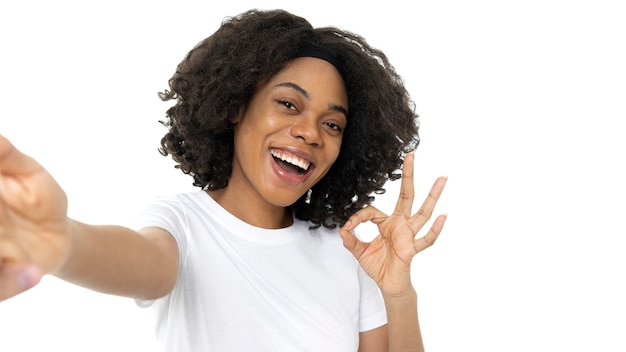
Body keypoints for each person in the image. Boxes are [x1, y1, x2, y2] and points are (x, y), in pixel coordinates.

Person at [0, 8, 447, 352]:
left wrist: (398, 292)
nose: (310, 133)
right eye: (289, 105)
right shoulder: (182, 223)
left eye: (332, 124)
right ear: (236, 106)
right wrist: (60, 240)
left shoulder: (346, 251)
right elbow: (142, 263)